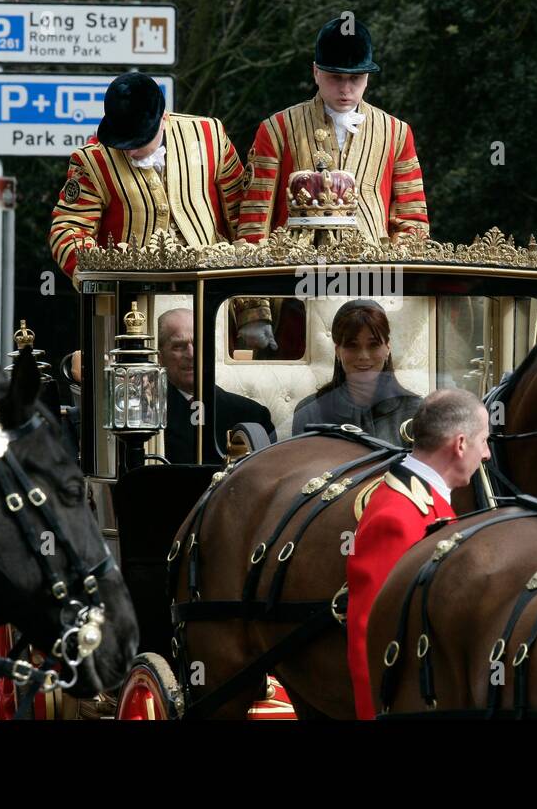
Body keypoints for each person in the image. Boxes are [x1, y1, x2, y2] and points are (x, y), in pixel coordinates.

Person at [346, 389, 491, 719]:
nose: (487, 455)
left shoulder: (421, 501)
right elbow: (370, 637)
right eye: (484, 441)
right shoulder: (396, 518)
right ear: (460, 444)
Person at [49, 72, 270, 282]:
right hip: (132, 293)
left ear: (164, 117)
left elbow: (241, 211)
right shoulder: (92, 161)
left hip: (210, 280)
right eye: (122, 142)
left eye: (140, 140)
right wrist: (101, 274)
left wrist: (248, 291)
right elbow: (68, 229)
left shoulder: (208, 135)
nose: (130, 152)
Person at [246, 17, 429, 244]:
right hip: (292, 268)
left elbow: (411, 217)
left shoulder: (397, 132)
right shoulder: (276, 128)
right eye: (335, 77)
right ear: (316, 72)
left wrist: (402, 270)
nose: (345, 88)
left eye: (355, 78)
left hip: (372, 267)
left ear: (367, 78)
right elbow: (256, 217)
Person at [292, 299, 420, 444]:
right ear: (337, 351)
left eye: (373, 345)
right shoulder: (309, 412)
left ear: (388, 348)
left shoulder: (416, 411)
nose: (363, 356)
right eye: (352, 345)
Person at [157, 308, 275, 465]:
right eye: (179, 346)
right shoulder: (146, 416)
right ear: (160, 358)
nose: (191, 354)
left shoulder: (252, 415)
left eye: (198, 344)